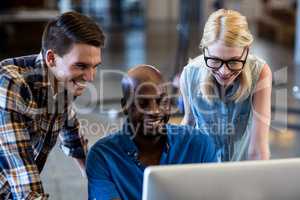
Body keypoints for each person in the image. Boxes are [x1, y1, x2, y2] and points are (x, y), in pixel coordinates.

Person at [0, 12, 105, 199]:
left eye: (95, 66)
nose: (90, 77)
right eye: (81, 66)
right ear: (51, 58)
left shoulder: (61, 79)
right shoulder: (11, 85)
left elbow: (73, 136)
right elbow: (27, 190)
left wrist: (99, 183)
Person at [86, 65, 217, 200]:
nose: (154, 111)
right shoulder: (103, 156)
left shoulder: (199, 145)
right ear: (125, 106)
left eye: (161, 101)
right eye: (142, 103)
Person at [180, 9, 272, 162]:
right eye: (215, 60)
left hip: (240, 171)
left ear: (246, 51)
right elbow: (188, 124)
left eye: (234, 61)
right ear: (204, 51)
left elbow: (258, 148)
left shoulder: (260, 73)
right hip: (202, 168)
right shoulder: (189, 75)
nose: (224, 71)